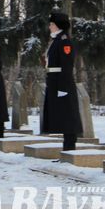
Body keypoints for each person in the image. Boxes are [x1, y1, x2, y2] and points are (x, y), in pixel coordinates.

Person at [41, 11, 82, 152]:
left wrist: (63, 88)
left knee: (68, 117)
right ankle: (66, 149)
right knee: (62, 116)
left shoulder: (64, 41)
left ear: (58, 25)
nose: (49, 26)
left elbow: (66, 65)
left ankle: (70, 149)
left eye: (52, 24)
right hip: (54, 81)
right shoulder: (56, 40)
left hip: (62, 83)